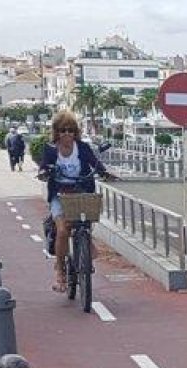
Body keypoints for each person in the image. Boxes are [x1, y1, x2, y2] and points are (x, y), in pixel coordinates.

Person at [37, 111, 115, 293]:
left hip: (81, 191)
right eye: (63, 130)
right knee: (63, 229)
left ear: (75, 132)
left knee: (85, 224)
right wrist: (44, 172)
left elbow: (94, 162)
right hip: (60, 194)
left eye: (71, 130)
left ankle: (85, 249)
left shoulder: (83, 148)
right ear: (56, 132)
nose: (67, 134)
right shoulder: (50, 149)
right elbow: (44, 166)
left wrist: (104, 172)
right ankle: (60, 270)